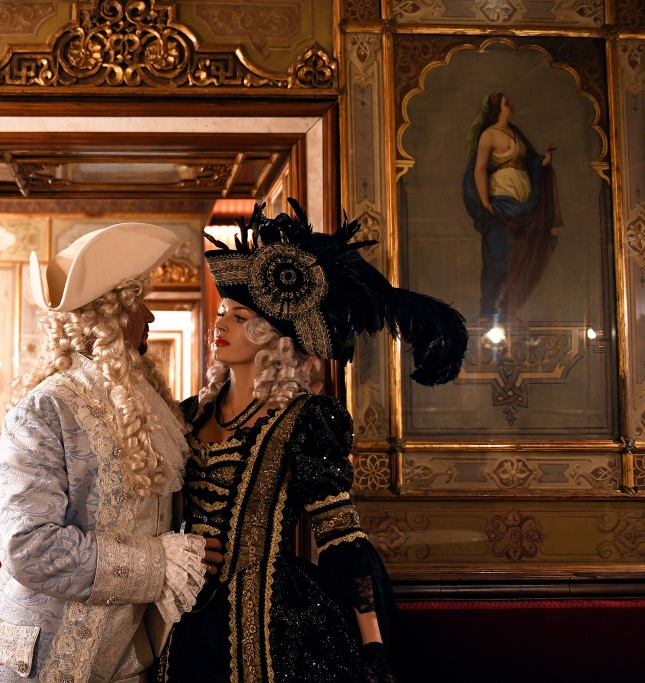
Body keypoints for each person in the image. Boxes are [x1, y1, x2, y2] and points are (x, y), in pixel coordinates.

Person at [157, 200, 468, 683]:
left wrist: (373, 646)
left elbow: (340, 536)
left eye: (238, 316)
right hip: (184, 616)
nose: (220, 324)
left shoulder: (306, 420)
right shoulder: (187, 415)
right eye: (221, 313)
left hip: (275, 623)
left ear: (273, 335)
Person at [0, 222, 222, 682]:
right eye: (139, 304)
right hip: (39, 663)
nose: (150, 317)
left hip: (124, 658)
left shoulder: (149, 403)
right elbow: (29, 547)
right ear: (112, 315)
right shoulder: (46, 407)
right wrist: (157, 563)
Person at [462, 92, 562, 322]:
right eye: (507, 103)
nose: (512, 106)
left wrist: (544, 161)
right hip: (500, 203)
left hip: (523, 205)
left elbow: (530, 163)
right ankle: (488, 311)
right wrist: (485, 201)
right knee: (498, 258)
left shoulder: (515, 132)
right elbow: (480, 169)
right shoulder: (488, 135)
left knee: (520, 258)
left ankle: (509, 309)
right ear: (498, 109)